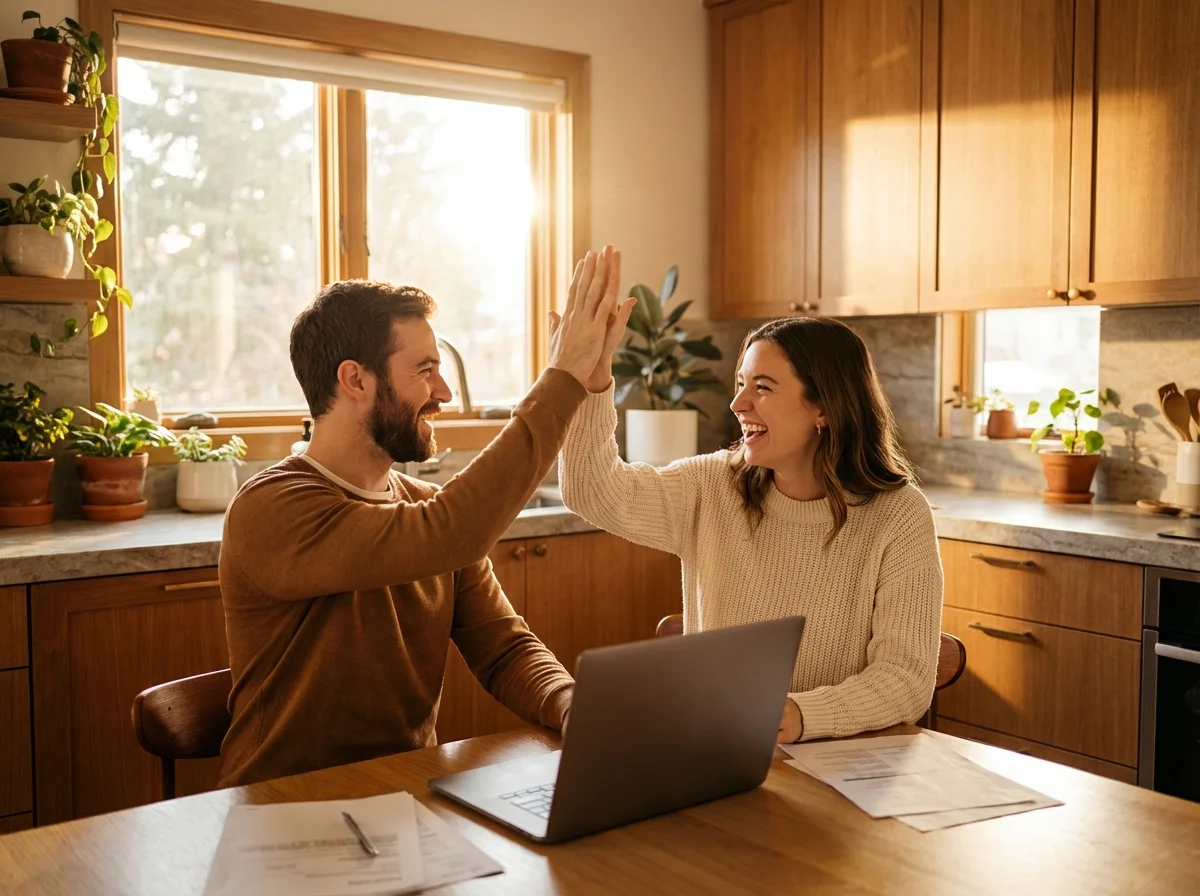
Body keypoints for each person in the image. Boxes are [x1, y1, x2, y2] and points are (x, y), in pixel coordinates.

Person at [218, 248, 620, 786]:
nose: (445, 394)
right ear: (355, 380)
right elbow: (454, 529)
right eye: (425, 371)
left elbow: (502, 647)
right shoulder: (273, 507)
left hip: (405, 792)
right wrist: (563, 377)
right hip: (284, 809)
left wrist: (571, 703)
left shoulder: (422, 509)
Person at [559, 261, 943, 744]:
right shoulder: (713, 486)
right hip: (719, 748)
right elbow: (592, 490)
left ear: (824, 406)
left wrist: (800, 716)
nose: (739, 404)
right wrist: (591, 384)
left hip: (844, 766)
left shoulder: (898, 515)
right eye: (741, 384)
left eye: (762, 387)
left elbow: (905, 681)